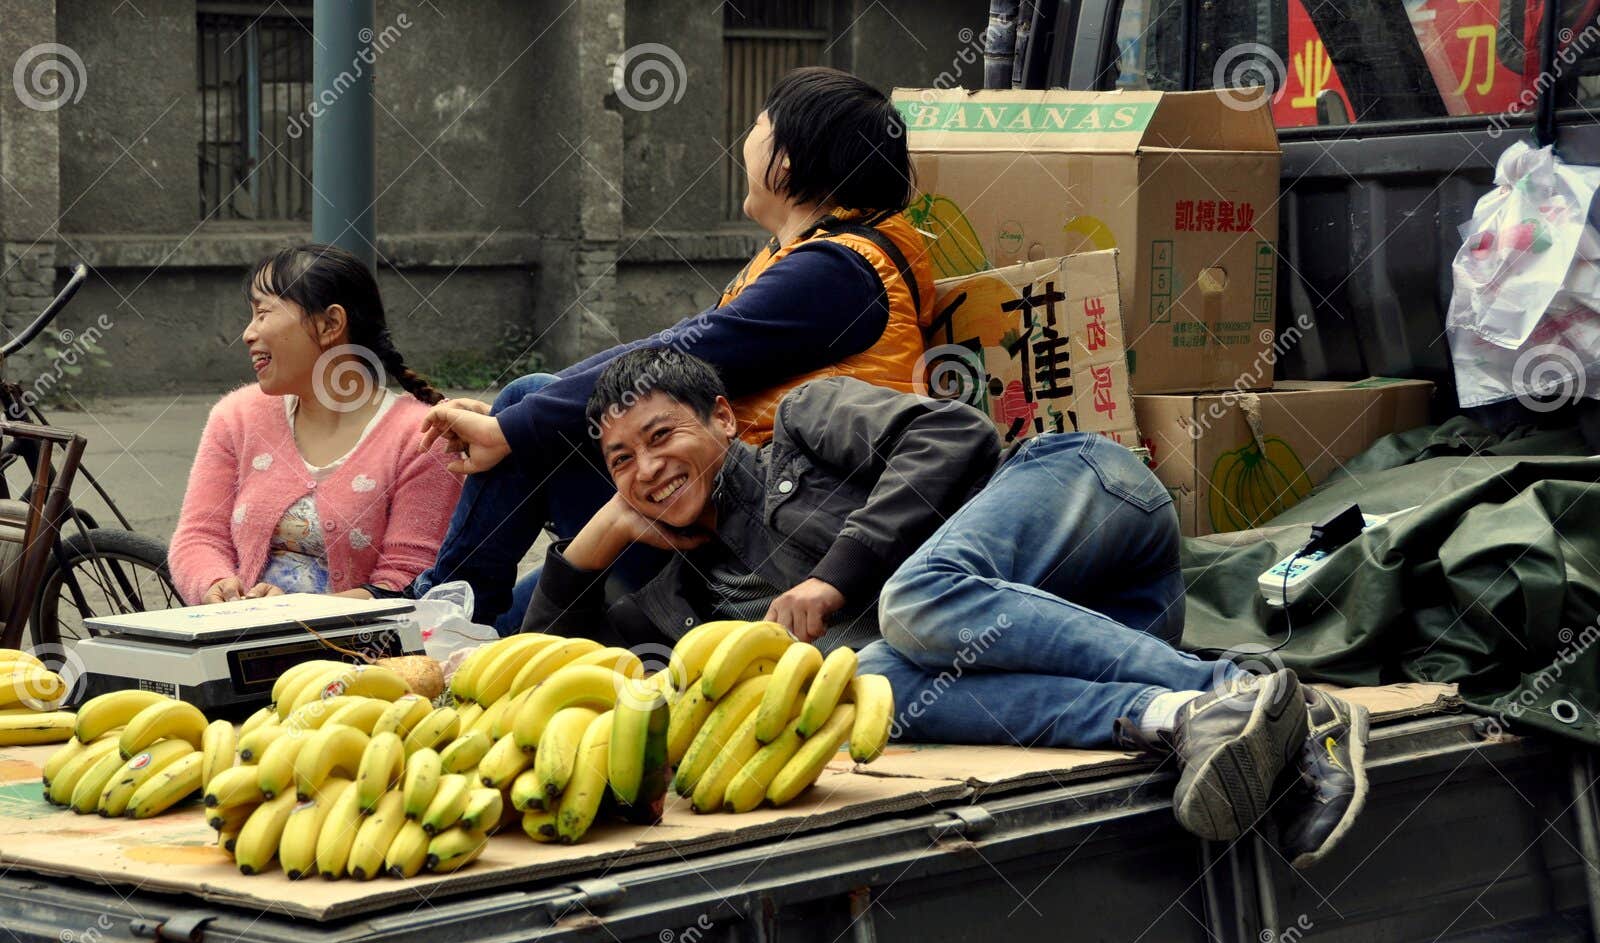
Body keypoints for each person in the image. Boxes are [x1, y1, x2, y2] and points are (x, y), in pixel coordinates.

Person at [522, 345, 1370, 866]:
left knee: (913, 601)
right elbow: (538, 669)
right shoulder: (683, 603)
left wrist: (834, 577)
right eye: (620, 460)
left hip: (1083, 504)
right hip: (1089, 643)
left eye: (662, 436)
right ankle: (1185, 711)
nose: (645, 469)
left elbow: (952, 437)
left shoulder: (808, 421)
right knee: (874, 682)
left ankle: (1234, 680)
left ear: (720, 418)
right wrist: (590, 545)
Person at [410, 67, 935, 633]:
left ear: (786, 160)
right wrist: (519, 423)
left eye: (759, 124)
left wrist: (514, 428)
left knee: (529, 403)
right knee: (516, 624)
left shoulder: (838, 271)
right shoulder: (822, 256)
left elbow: (687, 350)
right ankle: (450, 622)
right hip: (724, 503)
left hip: (765, 526)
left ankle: (439, 613)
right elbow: (672, 359)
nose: (745, 140)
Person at [169, 245, 463, 605]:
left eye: (263, 314)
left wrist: (295, 613)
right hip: (238, 641)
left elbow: (407, 581)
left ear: (329, 324)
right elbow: (199, 536)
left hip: (357, 656)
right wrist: (215, 585)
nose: (248, 334)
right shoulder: (236, 417)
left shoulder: (421, 436)